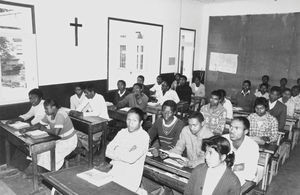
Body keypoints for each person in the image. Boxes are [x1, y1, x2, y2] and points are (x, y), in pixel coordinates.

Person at [21, 99, 77, 171]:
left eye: (47, 109)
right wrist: (27, 129)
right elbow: (39, 125)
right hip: (58, 140)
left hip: (69, 141)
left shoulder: (60, 114)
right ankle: (39, 169)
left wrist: (44, 129)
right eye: (45, 109)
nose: (45, 111)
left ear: (54, 107)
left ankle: (48, 172)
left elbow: (56, 133)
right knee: (41, 150)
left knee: (49, 154)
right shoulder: (49, 114)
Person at [106, 107, 149, 192]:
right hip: (115, 172)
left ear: (141, 123)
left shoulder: (143, 137)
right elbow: (107, 152)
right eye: (128, 120)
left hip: (130, 178)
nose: (130, 123)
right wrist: (126, 152)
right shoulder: (122, 132)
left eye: (134, 121)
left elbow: (130, 159)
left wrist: (117, 150)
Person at [69, 84, 109, 151]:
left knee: (91, 137)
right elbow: (81, 107)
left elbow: (97, 113)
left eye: (86, 93)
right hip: (93, 120)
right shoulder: (87, 97)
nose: (85, 94)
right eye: (84, 93)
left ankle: (92, 144)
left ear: (92, 92)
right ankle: (91, 146)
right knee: (76, 133)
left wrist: (82, 114)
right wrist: (74, 112)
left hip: (102, 122)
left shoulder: (100, 97)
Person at [223, 117, 259, 185]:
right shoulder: (223, 139)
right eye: (231, 127)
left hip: (241, 181)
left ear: (245, 132)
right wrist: (238, 167)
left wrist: (229, 167)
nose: (232, 131)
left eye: (236, 128)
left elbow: (250, 174)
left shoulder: (252, 146)